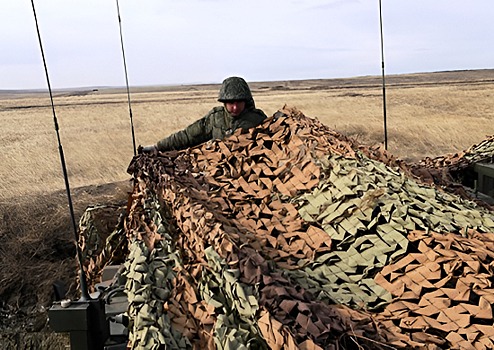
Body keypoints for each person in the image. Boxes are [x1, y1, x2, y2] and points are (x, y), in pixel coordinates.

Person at [141, 76, 267, 153]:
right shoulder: (215, 118)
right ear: (224, 102)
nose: (234, 107)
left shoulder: (258, 119)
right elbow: (188, 135)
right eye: (230, 102)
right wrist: (157, 147)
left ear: (246, 100)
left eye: (239, 102)